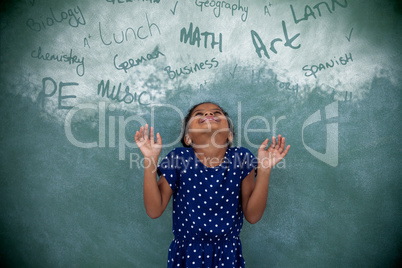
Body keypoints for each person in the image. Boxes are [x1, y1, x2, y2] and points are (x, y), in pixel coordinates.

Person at [134, 102, 290, 267]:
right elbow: (154, 210)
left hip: (227, 256)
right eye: (199, 114)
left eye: (216, 112)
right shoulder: (178, 158)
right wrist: (150, 160)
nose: (208, 114)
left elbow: (252, 216)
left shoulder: (241, 157)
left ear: (229, 135)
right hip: (187, 256)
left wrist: (264, 170)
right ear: (187, 138)